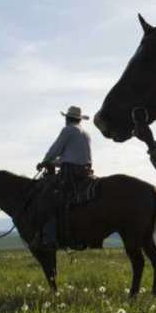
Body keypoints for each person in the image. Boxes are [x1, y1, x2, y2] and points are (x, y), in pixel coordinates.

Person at [33, 105, 93, 249]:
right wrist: (53, 162)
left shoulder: (68, 130)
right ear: (79, 119)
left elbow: (55, 149)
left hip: (70, 173)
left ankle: (49, 237)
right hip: (85, 172)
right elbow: (69, 157)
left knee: (46, 197)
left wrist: (45, 161)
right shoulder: (85, 133)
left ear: (67, 118)